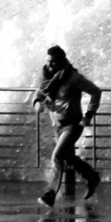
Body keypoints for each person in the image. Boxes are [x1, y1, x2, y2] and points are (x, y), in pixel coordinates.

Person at [30, 45, 102, 206]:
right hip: (58, 125)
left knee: (57, 156)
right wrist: (37, 104)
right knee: (68, 158)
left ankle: (50, 194)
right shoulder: (47, 77)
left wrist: (89, 114)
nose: (50, 65)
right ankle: (91, 176)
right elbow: (38, 94)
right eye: (48, 61)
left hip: (73, 124)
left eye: (53, 62)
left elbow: (96, 92)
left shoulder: (74, 77)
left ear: (62, 61)